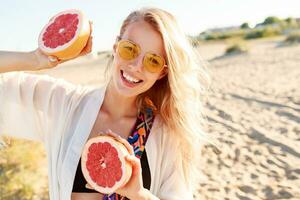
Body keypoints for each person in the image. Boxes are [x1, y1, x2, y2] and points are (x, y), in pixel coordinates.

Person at [0, 7, 212, 200]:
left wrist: (139, 195)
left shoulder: (167, 134)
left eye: (153, 61)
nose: (136, 66)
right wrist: (35, 59)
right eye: (130, 49)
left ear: (162, 73)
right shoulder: (64, 104)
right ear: (115, 47)